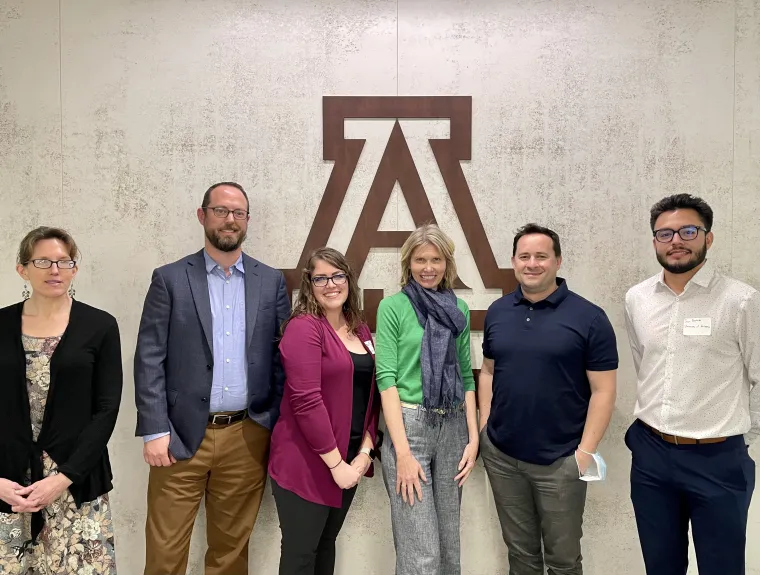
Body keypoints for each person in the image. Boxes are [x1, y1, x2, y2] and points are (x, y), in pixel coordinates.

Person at [134, 181, 290, 575]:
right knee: (165, 553)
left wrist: (268, 422)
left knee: (230, 555)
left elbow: (280, 357)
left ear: (248, 221)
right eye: (221, 210)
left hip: (246, 436)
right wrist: (154, 430)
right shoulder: (169, 279)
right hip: (179, 437)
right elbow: (150, 357)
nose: (230, 220)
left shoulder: (270, 282)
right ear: (202, 216)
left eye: (238, 213)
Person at [624, 193, 758, 575]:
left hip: (718, 460)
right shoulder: (638, 298)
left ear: (707, 238)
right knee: (660, 567)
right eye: (664, 234)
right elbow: (644, 363)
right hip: (652, 456)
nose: (676, 241)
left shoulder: (741, 301)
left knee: (722, 567)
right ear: (654, 241)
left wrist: (741, 436)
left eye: (687, 231)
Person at [478, 223, 618, 575]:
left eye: (541, 256)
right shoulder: (498, 312)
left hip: (561, 462)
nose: (532, 263)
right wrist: (484, 429)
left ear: (557, 261)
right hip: (503, 457)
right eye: (524, 256)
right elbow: (489, 372)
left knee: (563, 561)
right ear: (513, 261)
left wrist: (583, 455)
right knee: (520, 556)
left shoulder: (589, 318)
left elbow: (604, 391)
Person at [0, 226, 122, 574]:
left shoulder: (99, 326)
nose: (55, 270)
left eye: (64, 261)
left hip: (75, 481)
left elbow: (106, 409)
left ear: (74, 269)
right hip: (9, 484)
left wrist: (63, 478)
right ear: (22, 269)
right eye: (43, 261)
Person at [268, 247, 381, 575]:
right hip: (308, 463)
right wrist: (335, 464)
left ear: (349, 279)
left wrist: (365, 452)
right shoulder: (304, 328)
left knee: (326, 544)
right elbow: (305, 401)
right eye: (321, 278)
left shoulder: (358, 328)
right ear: (309, 284)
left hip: (350, 460)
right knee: (301, 554)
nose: (331, 284)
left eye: (338, 275)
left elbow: (370, 394)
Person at [375, 223, 478, 575]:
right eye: (420, 259)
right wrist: (402, 452)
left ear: (447, 263)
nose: (428, 267)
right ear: (409, 263)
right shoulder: (393, 307)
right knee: (422, 553)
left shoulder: (458, 310)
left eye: (436, 259)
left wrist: (473, 437)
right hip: (410, 428)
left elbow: (466, 375)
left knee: (449, 549)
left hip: (453, 427)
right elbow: (386, 381)